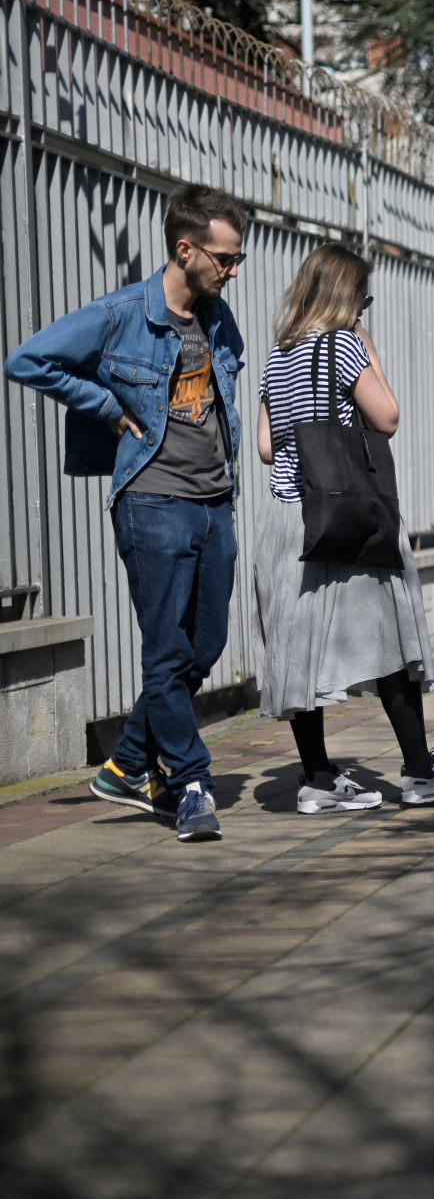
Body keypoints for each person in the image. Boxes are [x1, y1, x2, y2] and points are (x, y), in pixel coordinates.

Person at [4, 185, 252, 842]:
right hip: (152, 500)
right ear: (185, 248)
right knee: (166, 648)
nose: (233, 271)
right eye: (225, 259)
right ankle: (190, 780)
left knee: (205, 643)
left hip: (214, 501)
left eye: (237, 260)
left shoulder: (219, 318)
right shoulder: (121, 314)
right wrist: (108, 408)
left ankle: (127, 762)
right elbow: (27, 359)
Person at [251, 243, 434, 812]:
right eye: (364, 298)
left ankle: (317, 780)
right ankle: (420, 770)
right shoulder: (343, 345)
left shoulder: (277, 353)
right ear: (349, 298)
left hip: (289, 518)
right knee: (391, 638)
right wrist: (365, 342)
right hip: (348, 516)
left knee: (300, 648)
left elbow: (265, 447)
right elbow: (387, 416)